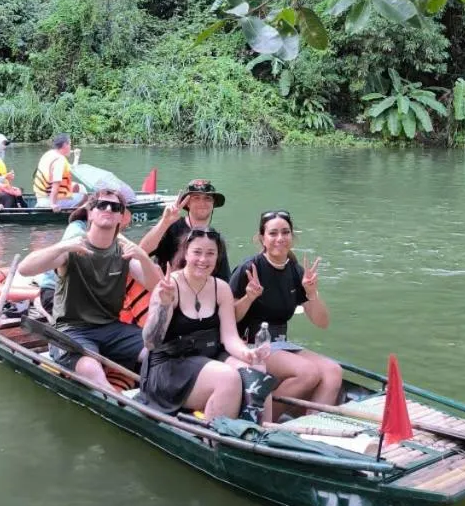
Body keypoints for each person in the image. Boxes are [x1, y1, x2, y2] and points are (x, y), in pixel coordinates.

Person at [17, 190, 162, 387]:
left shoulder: (124, 252)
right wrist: (62, 247)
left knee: (157, 353)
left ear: (121, 216)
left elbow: (157, 287)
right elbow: (24, 269)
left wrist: (143, 257)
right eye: (101, 205)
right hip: (71, 330)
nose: (108, 209)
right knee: (90, 367)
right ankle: (115, 400)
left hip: (111, 328)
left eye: (115, 207)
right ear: (90, 213)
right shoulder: (73, 248)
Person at [230, 209, 342, 415]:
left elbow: (322, 322)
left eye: (285, 232)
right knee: (307, 373)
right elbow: (228, 318)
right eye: (273, 233)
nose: (280, 238)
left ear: (292, 236)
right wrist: (249, 297)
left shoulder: (296, 271)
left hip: (280, 343)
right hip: (249, 344)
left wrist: (311, 293)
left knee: (333, 371)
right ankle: (262, 421)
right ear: (262, 238)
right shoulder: (250, 268)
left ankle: (311, 427)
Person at [141, 227, 259, 417]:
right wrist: (164, 305)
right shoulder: (170, 286)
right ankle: (214, 433)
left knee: (256, 371)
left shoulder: (221, 288)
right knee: (227, 378)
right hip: (170, 366)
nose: (203, 260)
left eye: (210, 253)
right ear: (186, 253)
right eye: (197, 252)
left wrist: (249, 354)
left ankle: (259, 430)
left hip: (209, 357)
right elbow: (150, 342)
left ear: (218, 257)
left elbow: (230, 337)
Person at [139, 178, 231, 278]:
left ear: (213, 203)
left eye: (207, 198)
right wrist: (164, 223)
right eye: (196, 198)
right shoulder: (170, 226)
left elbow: (224, 278)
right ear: (187, 203)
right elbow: (142, 251)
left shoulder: (215, 238)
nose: (202, 203)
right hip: (166, 285)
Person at [33, 133, 84, 211]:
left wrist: (76, 157)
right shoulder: (59, 161)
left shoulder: (50, 154)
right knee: (84, 197)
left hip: (41, 197)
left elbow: (71, 169)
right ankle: (72, 214)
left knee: (78, 186)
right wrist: (53, 204)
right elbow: (56, 185)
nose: (71, 147)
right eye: (70, 145)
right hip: (48, 200)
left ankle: (69, 208)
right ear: (65, 145)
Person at [0, 132, 27, 209]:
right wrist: (4, 177)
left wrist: (7, 178)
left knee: (19, 191)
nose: (5, 146)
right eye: (3, 144)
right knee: (10, 196)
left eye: (6, 144)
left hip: (1, 189)